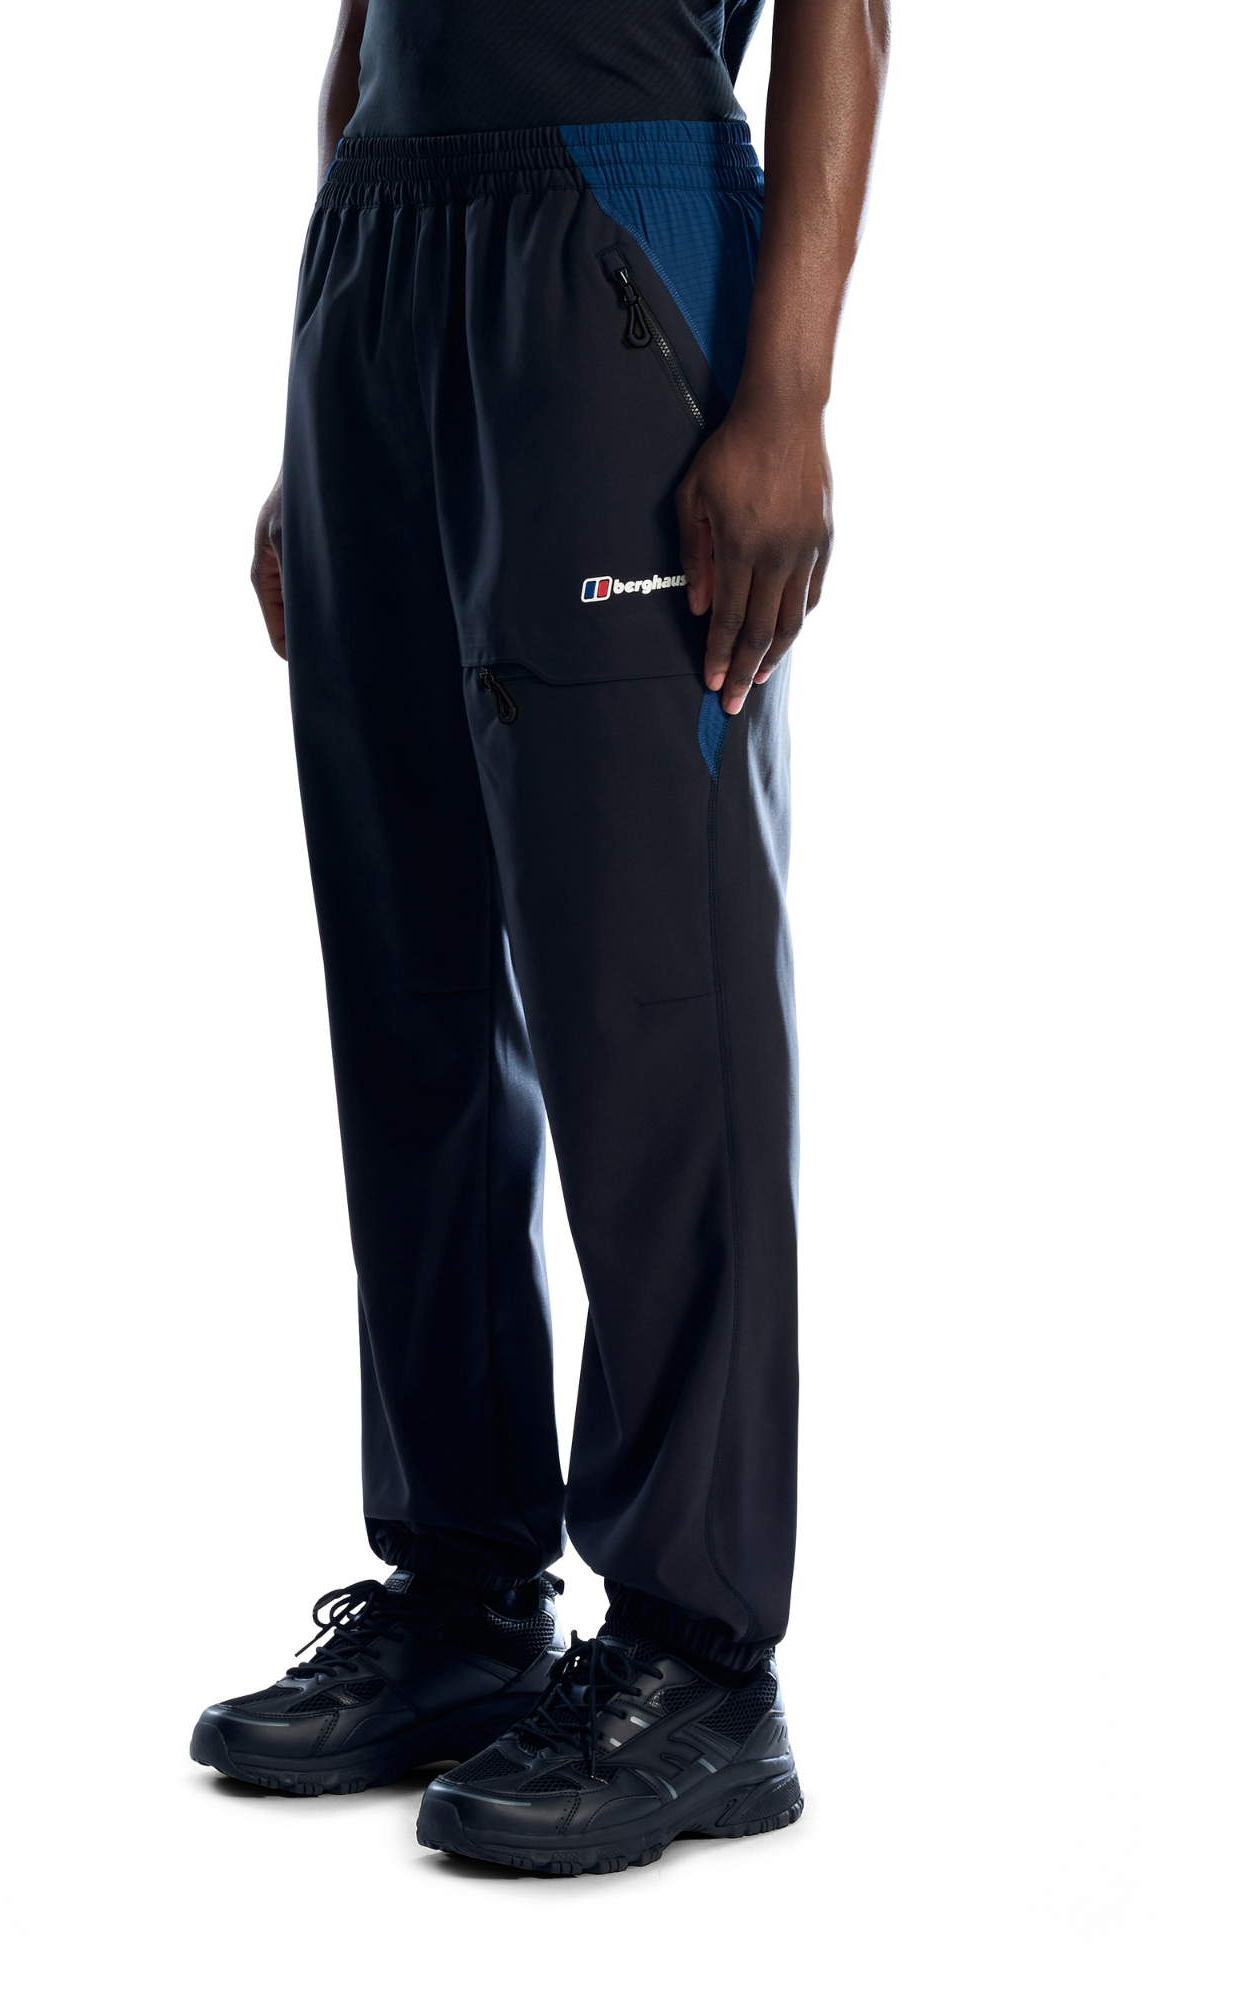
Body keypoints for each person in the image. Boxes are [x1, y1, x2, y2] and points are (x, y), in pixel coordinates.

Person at [192, 0, 889, 1873]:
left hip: (609, 229)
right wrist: (326, 393)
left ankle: (699, 1658)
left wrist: (788, 395)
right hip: (384, 256)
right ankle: (464, 1592)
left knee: (647, 982)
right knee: (406, 977)